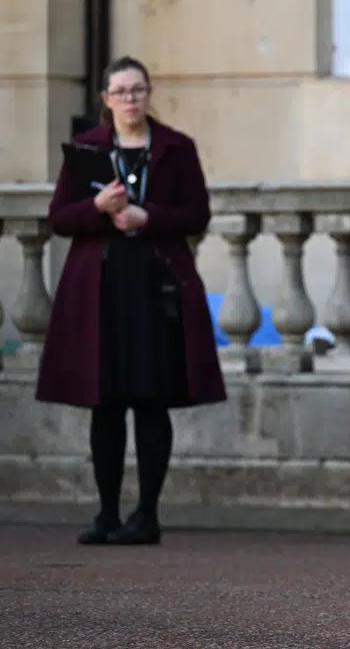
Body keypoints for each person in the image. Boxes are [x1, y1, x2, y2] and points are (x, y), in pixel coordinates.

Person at [38, 56, 225, 546]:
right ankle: (106, 513)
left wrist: (147, 218)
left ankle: (146, 514)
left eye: (138, 90)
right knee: (105, 403)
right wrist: (96, 209)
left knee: (150, 401)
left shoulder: (175, 148)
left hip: (155, 288)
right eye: (120, 91)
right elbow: (59, 217)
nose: (130, 99)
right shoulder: (86, 151)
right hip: (99, 289)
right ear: (105, 99)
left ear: (149, 93)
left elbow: (197, 214)